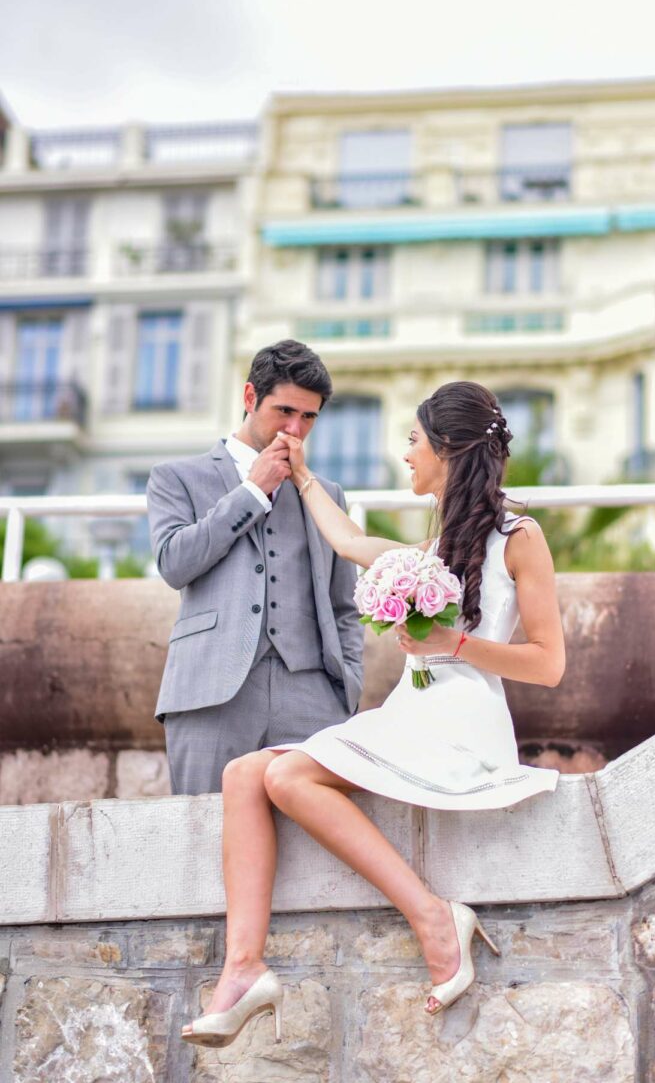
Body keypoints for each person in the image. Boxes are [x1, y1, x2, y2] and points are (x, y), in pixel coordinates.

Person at [181, 380, 566, 1046]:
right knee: (245, 774)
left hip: (461, 721)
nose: (406, 454)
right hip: (412, 711)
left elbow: (550, 662)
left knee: (288, 777)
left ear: (447, 447)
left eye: (414, 440)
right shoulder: (438, 541)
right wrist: (300, 477)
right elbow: (349, 540)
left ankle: (434, 917)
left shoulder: (519, 535)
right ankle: (242, 971)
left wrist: (456, 643)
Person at [147, 339, 364, 796]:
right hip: (210, 692)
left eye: (308, 417)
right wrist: (252, 492)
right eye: (284, 411)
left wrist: (347, 685)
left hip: (312, 697)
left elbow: (345, 603)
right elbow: (174, 563)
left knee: (318, 847)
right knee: (205, 838)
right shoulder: (176, 477)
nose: (295, 428)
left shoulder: (329, 493)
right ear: (250, 398)